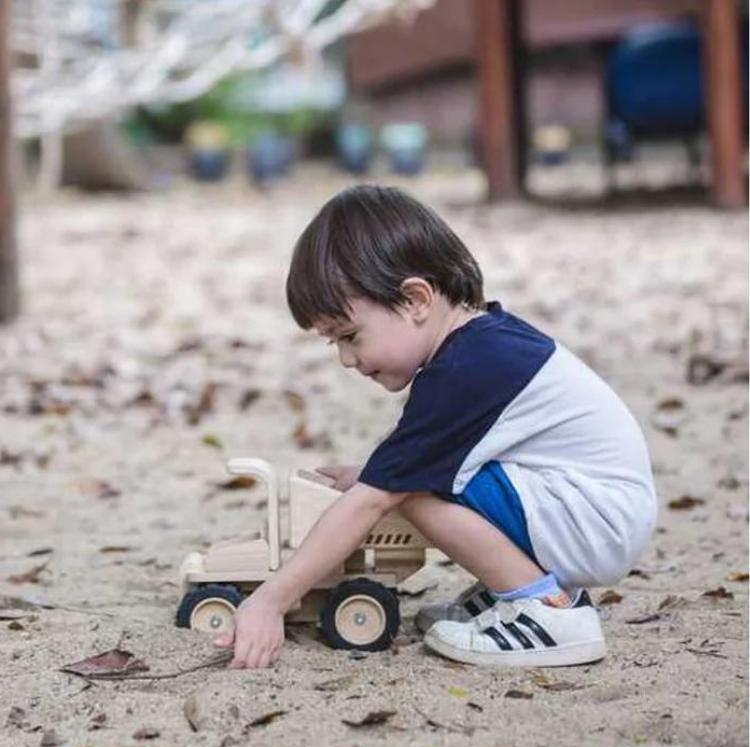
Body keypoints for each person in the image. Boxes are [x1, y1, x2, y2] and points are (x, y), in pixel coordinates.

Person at [215, 185, 658, 669]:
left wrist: (272, 599)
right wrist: (371, 474)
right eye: (333, 344)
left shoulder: (463, 370)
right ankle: (514, 591)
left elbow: (377, 498)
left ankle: (546, 611)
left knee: (414, 490)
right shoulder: (481, 345)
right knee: (412, 478)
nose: (346, 359)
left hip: (595, 519)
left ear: (415, 299)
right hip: (592, 511)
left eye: (349, 336)